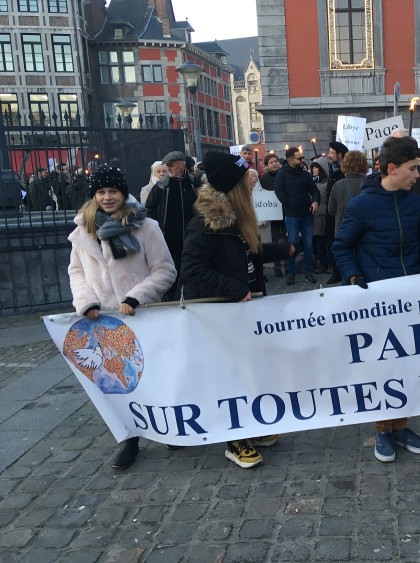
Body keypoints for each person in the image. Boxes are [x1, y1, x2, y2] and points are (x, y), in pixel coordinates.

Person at [332, 135, 420, 462]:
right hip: (376, 301)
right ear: (391, 168)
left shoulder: (415, 203)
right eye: (413, 169)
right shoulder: (361, 205)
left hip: (411, 298)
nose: (418, 175)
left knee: (408, 366)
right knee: (382, 368)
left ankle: (401, 426)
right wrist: (354, 276)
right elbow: (341, 247)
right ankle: (382, 430)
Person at [180, 151, 295, 468]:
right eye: (245, 183)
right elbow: (192, 271)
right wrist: (236, 289)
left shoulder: (236, 216)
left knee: (248, 369)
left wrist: (281, 251)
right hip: (217, 313)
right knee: (229, 374)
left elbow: (246, 254)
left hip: (239, 309)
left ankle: (250, 427)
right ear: (233, 188)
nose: (250, 188)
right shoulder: (206, 223)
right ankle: (235, 439)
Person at [67, 165, 176, 470]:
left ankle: (168, 427)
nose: (107, 197)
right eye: (101, 192)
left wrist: (136, 296)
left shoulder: (146, 227)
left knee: (153, 377)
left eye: (112, 191)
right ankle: (129, 439)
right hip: (105, 321)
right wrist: (86, 301)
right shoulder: (82, 232)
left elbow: (165, 270)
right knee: (118, 382)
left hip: (141, 316)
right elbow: (76, 273)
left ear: (124, 193)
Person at [145, 151, 199, 299]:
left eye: (171, 165)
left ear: (181, 165)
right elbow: (150, 210)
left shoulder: (195, 184)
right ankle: (170, 299)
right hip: (168, 239)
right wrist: (155, 231)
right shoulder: (161, 187)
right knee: (171, 271)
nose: (168, 168)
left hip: (192, 238)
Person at [275, 147, 320, 285]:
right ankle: (291, 273)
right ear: (290, 160)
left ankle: (308, 272)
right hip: (292, 215)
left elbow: (314, 190)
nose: (302, 160)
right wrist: (289, 203)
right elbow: (279, 191)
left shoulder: (305, 174)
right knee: (292, 244)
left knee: (308, 245)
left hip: (306, 214)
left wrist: (315, 201)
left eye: (302, 158)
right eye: (299, 158)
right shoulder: (282, 174)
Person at [326, 150, 368, 285]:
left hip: (342, 232)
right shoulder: (369, 184)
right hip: (366, 233)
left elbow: (331, 210)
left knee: (348, 272)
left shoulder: (337, 185)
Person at [260, 153, 286, 277]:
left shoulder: (284, 175)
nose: (274, 164)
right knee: (274, 242)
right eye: (271, 162)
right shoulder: (264, 179)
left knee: (287, 240)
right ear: (266, 166)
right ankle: (277, 267)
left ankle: (288, 265)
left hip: (285, 213)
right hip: (272, 216)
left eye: (275, 161)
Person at [310, 161, 329, 274]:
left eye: (316, 167)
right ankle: (320, 263)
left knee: (324, 242)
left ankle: (326, 264)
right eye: (313, 167)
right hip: (313, 216)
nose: (313, 170)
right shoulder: (312, 183)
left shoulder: (326, 183)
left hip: (323, 215)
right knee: (317, 242)